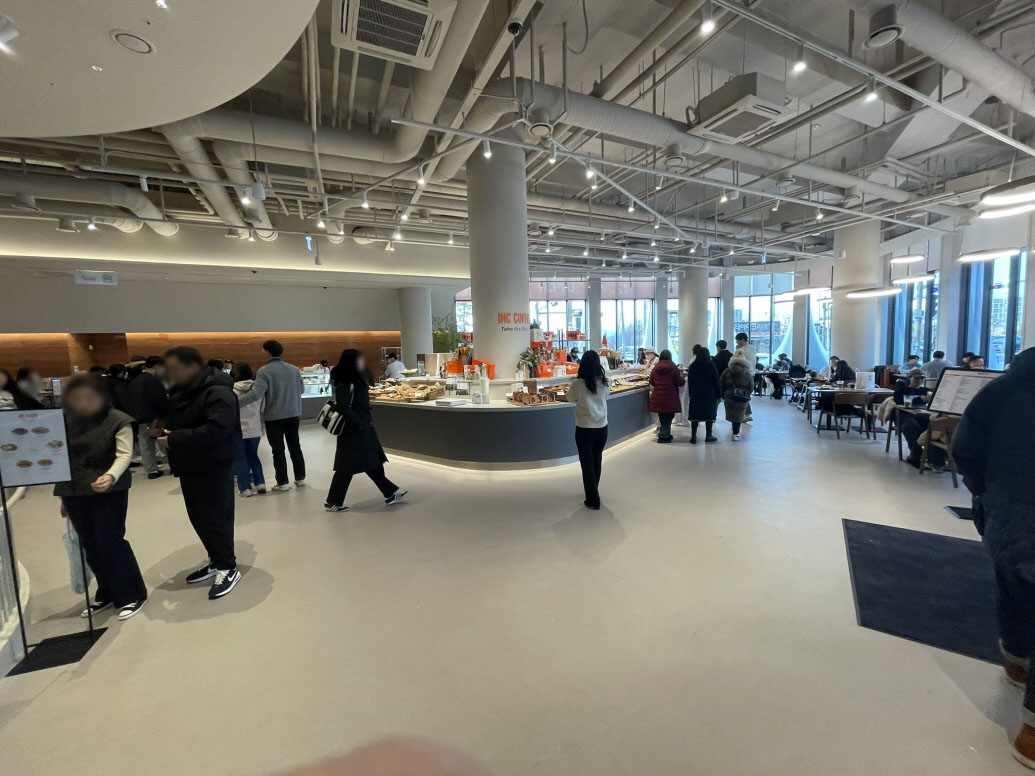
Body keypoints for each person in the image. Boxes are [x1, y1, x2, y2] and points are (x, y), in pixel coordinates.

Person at [951, 347, 1035, 768]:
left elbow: (965, 450)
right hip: (1011, 512)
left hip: (1009, 519)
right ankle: (1031, 733)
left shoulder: (1001, 390)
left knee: (1014, 588)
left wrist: (990, 495)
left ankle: (1017, 663)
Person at [55, 373, 147, 621]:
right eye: (76, 398)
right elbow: (61, 458)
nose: (82, 403)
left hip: (109, 490)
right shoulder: (65, 421)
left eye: (89, 397)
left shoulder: (118, 419)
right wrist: (63, 497)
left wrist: (110, 476)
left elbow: (124, 454)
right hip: (74, 490)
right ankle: (107, 591)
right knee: (89, 543)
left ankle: (133, 594)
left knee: (110, 541)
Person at [154, 347, 242, 600]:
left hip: (214, 463)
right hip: (190, 463)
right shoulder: (186, 390)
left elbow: (218, 430)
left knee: (216, 516)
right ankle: (216, 559)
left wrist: (175, 439)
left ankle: (228, 566)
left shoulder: (218, 391)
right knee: (199, 516)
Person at [324, 349, 408, 512]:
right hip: (354, 429)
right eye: (359, 360)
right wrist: (358, 423)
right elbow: (344, 407)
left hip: (361, 426)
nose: (363, 362)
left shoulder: (354, 378)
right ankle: (333, 501)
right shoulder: (345, 382)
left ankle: (390, 493)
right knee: (353, 464)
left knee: (368, 461)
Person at [236, 339, 306, 491]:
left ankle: (283, 482)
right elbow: (302, 390)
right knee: (295, 446)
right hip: (293, 413)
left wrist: (234, 402)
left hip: (274, 416)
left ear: (266, 351)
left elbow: (255, 394)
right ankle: (300, 478)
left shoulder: (264, 371)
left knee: (278, 449)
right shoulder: (293, 369)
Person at [566, 350, 609, 510]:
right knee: (597, 459)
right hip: (602, 427)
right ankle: (593, 490)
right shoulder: (606, 382)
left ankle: (593, 499)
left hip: (584, 428)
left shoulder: (578, 384)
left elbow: (570, 398)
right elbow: (605, 397)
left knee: (587, 464)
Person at [125, 355, 168, 480]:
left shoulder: (135, 381)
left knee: (145, 444)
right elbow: (159, 400)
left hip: (139, 417)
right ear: (156, 366)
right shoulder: (153, 381)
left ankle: (151, 469)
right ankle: (165, 466)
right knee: (160, 441)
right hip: (153, 417)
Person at [231, 363, 266, 497]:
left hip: (237, 428)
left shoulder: (231, 390)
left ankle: (245, 488)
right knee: (253, 455)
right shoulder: (258, 389)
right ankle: (260, 483)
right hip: (254, 427)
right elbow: (263, 408)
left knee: (240, 458)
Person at [648, 349, 684, 443]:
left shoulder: (656, 367)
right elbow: (679, 382)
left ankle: (665, 433)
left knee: (662, 416)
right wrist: (683, 380)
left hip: (658, 396)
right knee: (669, 416)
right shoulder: (674, 368)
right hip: (670, 396)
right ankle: (664, 436)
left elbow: (651, 381)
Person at [686, 346, 720, 444]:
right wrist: (718, 394)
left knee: (695, 415)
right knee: (709, 414)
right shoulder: (711, 365)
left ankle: (693, 437)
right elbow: (716, 381)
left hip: (696, 392)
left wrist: (690, 393)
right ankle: (708, 435)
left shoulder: (693, 366)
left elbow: (690, 381)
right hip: (709, 393)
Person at [720, 355, 753, 441]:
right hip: (742, 396)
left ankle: (734, 429)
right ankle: (736, 433)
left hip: (729, 395)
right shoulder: (746, 372)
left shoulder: (727, 371)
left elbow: (721, 383)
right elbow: (751, 386)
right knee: (739, 414)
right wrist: (747, 393)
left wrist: (723, 395)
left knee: (732, 414)